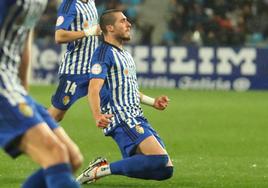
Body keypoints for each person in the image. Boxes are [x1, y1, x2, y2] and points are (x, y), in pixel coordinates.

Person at [76, 9, 174, 184]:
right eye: (123, 21)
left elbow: (129, 90)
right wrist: (97, 115)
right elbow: (93, 88)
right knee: (158, 159)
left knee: (165, 170)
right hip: (122, 118)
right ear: (110, 28)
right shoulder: (103, 53)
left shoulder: (124, 54)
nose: (129, 24)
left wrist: (153, 102)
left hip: (137, 116)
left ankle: (102, 167)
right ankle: (101, 170)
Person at [0, 1, 83, 187]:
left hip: (12, 86)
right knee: (55, 154)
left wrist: (23, 90)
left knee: (72, 158)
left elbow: (24, 41)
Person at [48, 0, 101, 122]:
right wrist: (89, 32)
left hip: (93, 67)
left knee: (119, 91)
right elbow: (59, 36)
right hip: (75, 70)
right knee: (56, 116)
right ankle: (27, 128)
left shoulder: (91, 2)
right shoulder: (69, 4)